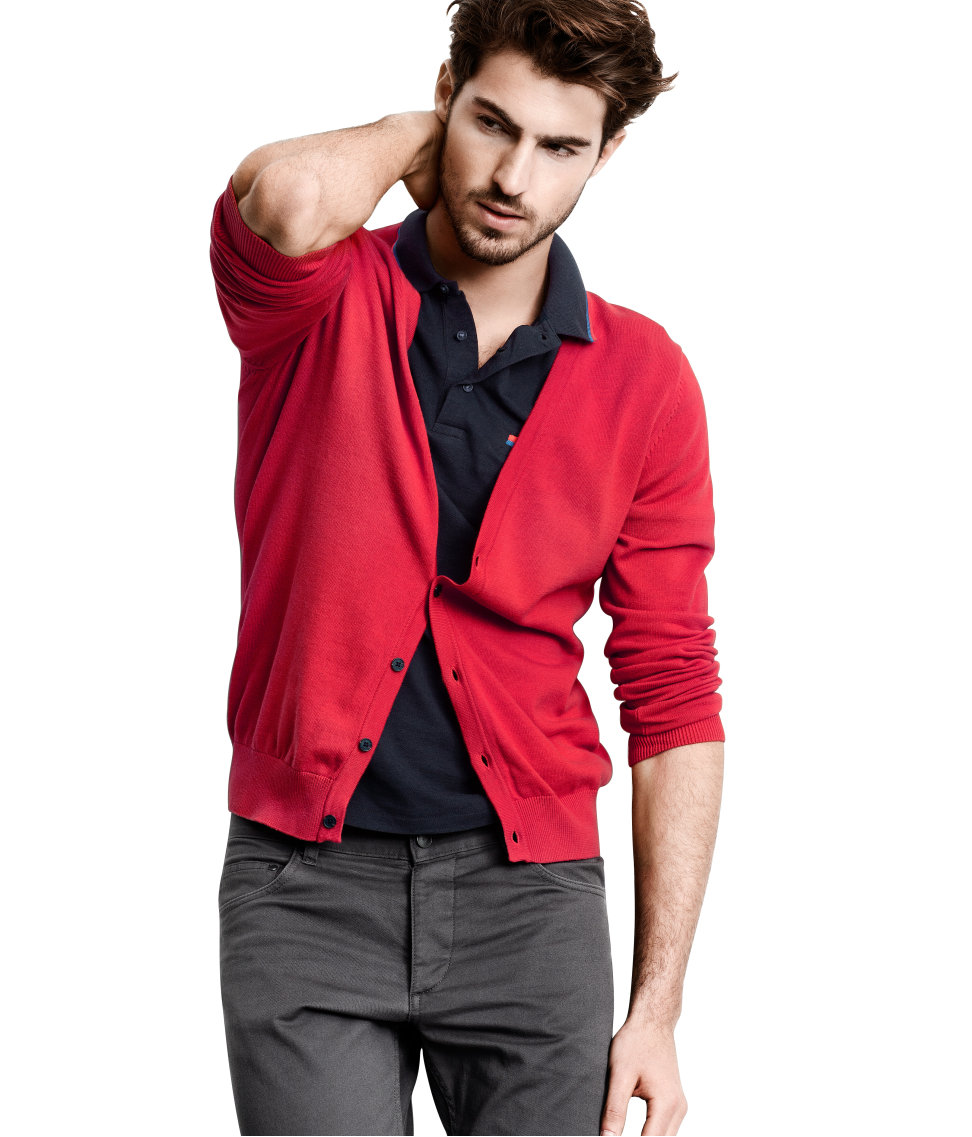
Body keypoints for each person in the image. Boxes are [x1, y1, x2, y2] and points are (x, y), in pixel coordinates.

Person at [209, 1, 725, 1133]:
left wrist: (656, 1008)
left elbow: (674, 692)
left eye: (561, 147)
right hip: (305, 888)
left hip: (529, 904)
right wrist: (416, 134)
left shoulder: (645, 380)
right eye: (492, 124)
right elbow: (285, 201)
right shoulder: (320, 298)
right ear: (448, 95)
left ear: (605, 155)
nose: (512, 178)